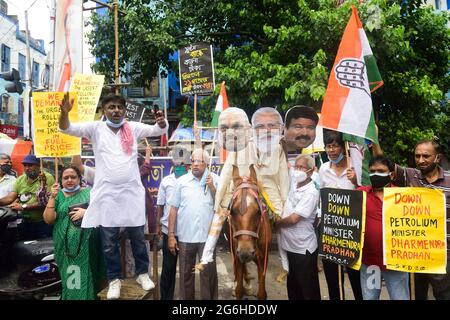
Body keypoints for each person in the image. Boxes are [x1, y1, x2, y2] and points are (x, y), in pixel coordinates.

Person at [59, 93, 168, 299]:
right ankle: (114, 280)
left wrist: (161, 123)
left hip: (131, 193)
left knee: (137, 236)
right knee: (109, 242)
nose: (116, 110)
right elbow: (67, 128)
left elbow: (157, 130)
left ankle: (142, 273)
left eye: (119, 107)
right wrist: (64, 113)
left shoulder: (132, 128)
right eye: (111, 107)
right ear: (104, 110)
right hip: (107, 195)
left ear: (124, 110)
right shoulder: (95, 128)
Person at [391, 139, 450, 300]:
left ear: (438, 158)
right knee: (418, 295)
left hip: (443, 255)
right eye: (417, 156)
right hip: (416, 253)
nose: (421, 160)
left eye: (426, 156)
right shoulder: (410, 175)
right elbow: (386, 166)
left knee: (443, 295)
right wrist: (374, 142)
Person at [43, 166, 105, 300]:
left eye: (73, 177)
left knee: (88, 276)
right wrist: (52, 197)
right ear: (60, 180)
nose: (69, 180)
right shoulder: (57, 195)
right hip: (65, 249)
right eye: (66, 178)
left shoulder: (89, 193)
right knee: (72, 281)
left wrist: (87, 213)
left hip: (87, 247)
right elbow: (48, 219)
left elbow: (103, 211)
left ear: (79, 179)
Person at [167, 148, 219, 300]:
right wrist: (171, 235)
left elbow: (222, 207)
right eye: (193, 161)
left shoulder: (215, 179)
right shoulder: (181, 182)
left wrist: (213, 189)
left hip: (207, 238)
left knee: (208, 275)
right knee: (185, 275)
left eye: (199, 161)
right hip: (185, 237)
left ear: (207, 163)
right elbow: (173, 209)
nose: (195, 164)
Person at [318, 130, 362, 300]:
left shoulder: (355, 169)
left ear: (343, 148)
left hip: (351, 231)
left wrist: (356, 181)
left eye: (335, 146)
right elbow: (320, 196)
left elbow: (366, 193)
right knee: (332, 276)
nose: (331, 150)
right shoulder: (323, 169)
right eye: (328, 147)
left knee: (355, 273)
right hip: (330, 229)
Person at [358, 156, 410, 300]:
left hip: (396, 262)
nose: (375, 174)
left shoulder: (404, 197)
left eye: (381, 171)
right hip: (370, 262)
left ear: (391, 174)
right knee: (370, 298)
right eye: (372, 171)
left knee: (400, 297)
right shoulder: (360, 194)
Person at [275, 154, 320, 300]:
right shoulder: (293, 183)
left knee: (307, 289)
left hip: (303, 248)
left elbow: (295, 218)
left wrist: (277, 223)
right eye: (297, 166)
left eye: (302, 167)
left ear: (311, 171)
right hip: (289, 246)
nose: (298, 170)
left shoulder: (312, 192)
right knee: (293, 288)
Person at [156, 152, 188, 300]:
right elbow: (161, 205)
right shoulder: (166, 181)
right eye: (177, 163)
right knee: (168, 269)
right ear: (173, 164)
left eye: (182, 163)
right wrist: (158, 226)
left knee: (186, 270)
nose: (179, 165)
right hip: (168, 231)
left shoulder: (191, 181)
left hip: (187, 233)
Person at [0, 154, 55, 240]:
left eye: (30, 165)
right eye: (25, 165)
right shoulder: (20, 179)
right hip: (24, 223)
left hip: (42, 224)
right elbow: (11, 197)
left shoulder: (47, 177)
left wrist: (23, 207)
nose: (27, 168)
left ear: (38, 165)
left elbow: (46, 201)